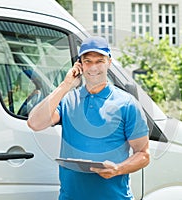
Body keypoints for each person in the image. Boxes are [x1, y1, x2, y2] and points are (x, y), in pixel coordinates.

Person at [27, 36, 150, 200]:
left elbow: (143, 154)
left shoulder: (127, 103)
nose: (93, 67)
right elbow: (35, 123)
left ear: (109, 62)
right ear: (80, 65)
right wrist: (65, 85)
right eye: (88, 61)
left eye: (99, 61)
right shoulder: (68, 100)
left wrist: (118, 169)